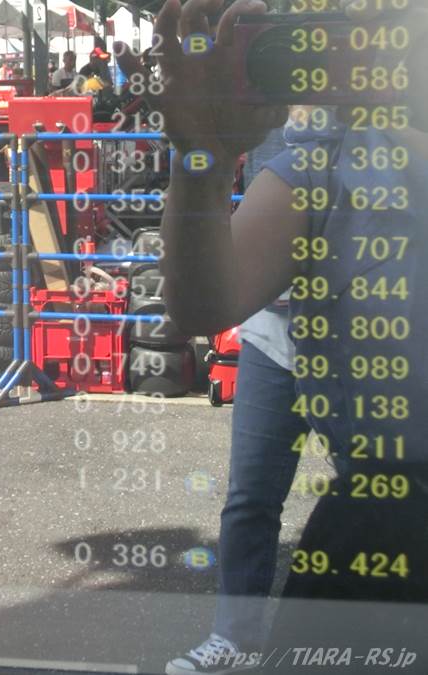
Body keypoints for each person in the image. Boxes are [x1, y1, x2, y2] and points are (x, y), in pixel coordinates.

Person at [116, 0, 428, 671]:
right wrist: (200, 160)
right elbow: (203, 302)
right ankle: (235, 635)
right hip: (379, 513)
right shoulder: (324, 161)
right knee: (251, 496)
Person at [166, 126, 311, 675]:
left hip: (356, 336)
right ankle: (235, 636)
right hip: (271, 335)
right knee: (250, 497)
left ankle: (370, 638)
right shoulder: (264, 118)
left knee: (379, 494)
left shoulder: (377, 120)